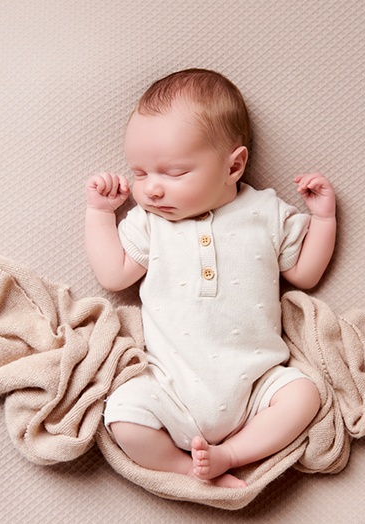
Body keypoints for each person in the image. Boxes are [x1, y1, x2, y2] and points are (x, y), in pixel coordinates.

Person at [85, 68, 336, 488]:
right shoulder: (149, 223)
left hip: (257, 382)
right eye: (141, 173)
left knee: (304, 395)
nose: (152, 190)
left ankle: (232, 454)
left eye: (174, 173)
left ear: (233, 165)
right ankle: (187, 468)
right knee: (123, 417)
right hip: (170, 385)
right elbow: (113, 275)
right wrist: (99, 214)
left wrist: (323, 219)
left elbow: (305, 274)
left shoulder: (267, 213)